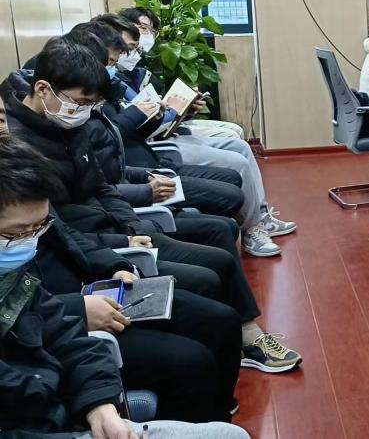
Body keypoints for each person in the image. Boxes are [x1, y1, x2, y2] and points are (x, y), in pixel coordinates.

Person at [2, 37, 302, 375]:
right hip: (98, 246)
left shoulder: (67, 125)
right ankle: (235, 342)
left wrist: (134, 225)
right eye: (81, 102)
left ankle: (245, 338)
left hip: (114, 231)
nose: (85, 111)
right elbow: (62, 229)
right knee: (211, 276)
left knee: (221, 239)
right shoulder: (21, 156)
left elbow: (101, 185)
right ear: (43, 89)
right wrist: (124, 238)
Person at [2, 136, 241, 422]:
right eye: (16, 234)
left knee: (221, 320)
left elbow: (69, 238)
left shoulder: (26, 196)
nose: (31, 239)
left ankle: (218, 414)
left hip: (90, 294)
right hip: (67, 320)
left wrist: (113, 265)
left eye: (38, 228)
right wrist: (80, 309)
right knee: (192, 361)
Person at [90, 16, 293, 258]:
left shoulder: (130, 74)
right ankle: (252, 229)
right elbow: (118, 136)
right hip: (156, 151)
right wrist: (151, 115)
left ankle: (259, 217)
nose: (131, 52)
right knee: (237, 162)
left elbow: (141, 123)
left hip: (157, 143)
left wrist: (179, 110)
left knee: (237, 143)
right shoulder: (102, 91)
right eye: (124, 50)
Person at [118, 7, 246, 141]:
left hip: (165, 128)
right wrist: (173, 111)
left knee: (235, 130)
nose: (148, 35)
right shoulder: (116, 76)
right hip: (154, 138)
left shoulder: (140, 68)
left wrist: (185, 109)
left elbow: (158, 109)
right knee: (231, 136)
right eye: (144, 28)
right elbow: (144, 120)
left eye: (153, 32)